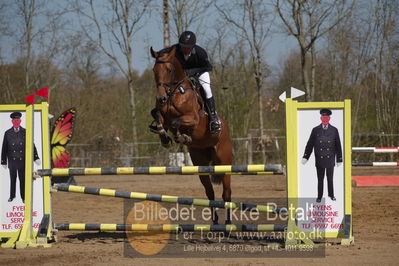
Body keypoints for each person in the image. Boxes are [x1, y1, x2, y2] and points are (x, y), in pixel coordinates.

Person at [167, 31, 221, 134]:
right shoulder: (176, 49)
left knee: (206, 89)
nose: (185, 49)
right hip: (183, 76)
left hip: (200, 72)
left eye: (188, 47)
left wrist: (192, 72)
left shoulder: (201, 53)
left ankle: (213, 118)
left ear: (193, 46)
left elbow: (208, 67)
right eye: (183, 47)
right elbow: (165, 52)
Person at [301, 109, 342, 203]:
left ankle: (331, 195)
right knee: (320, 179)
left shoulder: (334, 130)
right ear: (320, 118)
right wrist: (306, 156)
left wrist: (339, 158)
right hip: (319, 159)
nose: (325, 119)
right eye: (323, 117)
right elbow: (310, 144)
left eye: (326, 117)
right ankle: (319, 196)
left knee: (330, 178)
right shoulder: (315, 130)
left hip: (330, 158)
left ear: (329, 118)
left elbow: (338, 145)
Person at [1, 112, 40, 203]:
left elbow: (31, 145)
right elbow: (4, 147)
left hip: (23, 161)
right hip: (12, 161)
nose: (16, 121)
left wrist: (35, 157)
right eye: (14, 120)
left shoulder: (25, 132)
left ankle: (24, 197)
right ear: (12, 121)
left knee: (23, 180)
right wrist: (3, 161)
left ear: (20, 121)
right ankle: (12, 196)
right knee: (12, 180)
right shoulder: (7, 133)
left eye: (18, 120)